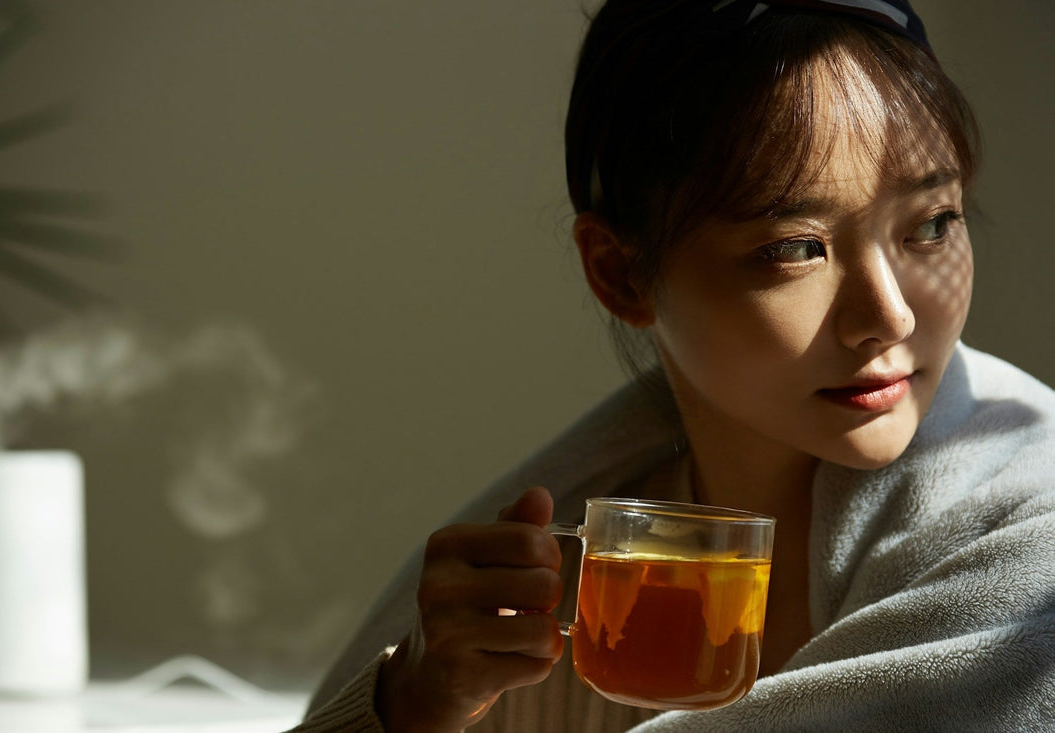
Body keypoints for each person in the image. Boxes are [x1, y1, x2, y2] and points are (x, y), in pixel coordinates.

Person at [289, 0, 1055, 730]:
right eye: (794, 247)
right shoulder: (553, 597)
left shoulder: (1033, 547)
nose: (891, 314)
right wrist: (408, 711)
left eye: (932, 223)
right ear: (620, 274)